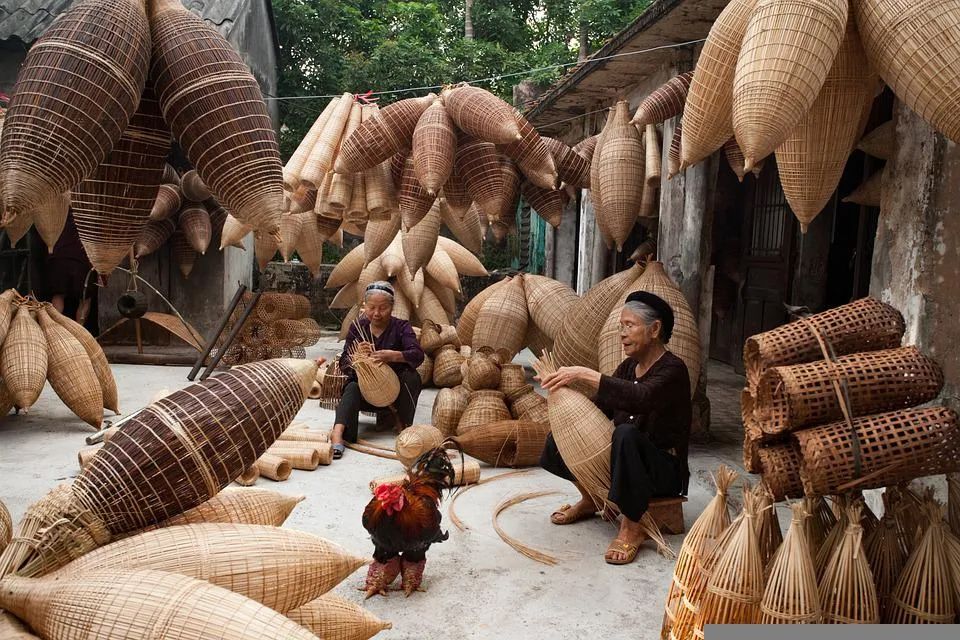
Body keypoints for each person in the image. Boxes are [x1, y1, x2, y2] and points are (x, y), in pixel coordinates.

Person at [538, 291, 691, 565]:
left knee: (626, 434)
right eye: (621, 327)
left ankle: (633, 527)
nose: (622, 333)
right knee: (559, 440)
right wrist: (565, 401)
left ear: (654, 329)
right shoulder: (629, 367)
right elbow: (601, 407)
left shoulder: (674, 369)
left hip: (662, 470)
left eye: (629, 326)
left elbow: (641, 397)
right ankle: (591, 498)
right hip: (624, 463)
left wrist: (585, 373)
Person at [330, 281, 425, 459]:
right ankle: (338, 432)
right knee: (351, 387)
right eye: (372, 307)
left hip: (395, 394)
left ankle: (403, 423)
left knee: (412, 377)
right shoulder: (357, 328)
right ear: (364, 306)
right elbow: (343, 362)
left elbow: (418, 355)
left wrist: (394, 356)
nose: (376, 313)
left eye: (383, 308)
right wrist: (356, 356)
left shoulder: (401, 327)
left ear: (392, 307)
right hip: (367, 393)